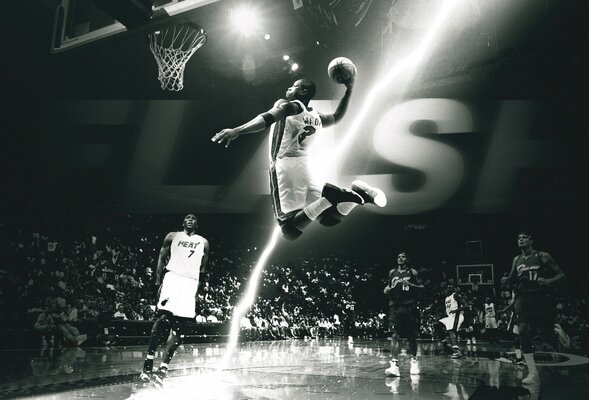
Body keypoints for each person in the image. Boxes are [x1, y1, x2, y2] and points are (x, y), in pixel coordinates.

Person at [211, 77, 386, 240]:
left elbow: (267, 118)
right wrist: (349, 90)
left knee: (288, 229)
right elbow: (338, 116)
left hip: (284, 166)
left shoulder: (288, 106)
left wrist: (237, 130)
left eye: (294, 86)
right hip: (305, 167)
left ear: (302, 92)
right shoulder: (317, 117)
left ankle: (332, 197)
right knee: (327, 219)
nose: (289, 88)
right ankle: (357, 196)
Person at [139, 214, 209, 386]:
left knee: (181, 329)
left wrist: (198, 290)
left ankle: (163, 368)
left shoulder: (204, 242)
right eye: (187, 218)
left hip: (190, 283)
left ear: (197, 224)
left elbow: (202, 269)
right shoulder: (172, 236)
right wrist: (157, 281)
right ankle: (148, 363)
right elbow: (161, 258)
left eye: (193, 218)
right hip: (173, 278)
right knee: (163, 319)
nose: (190, 219)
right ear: (183, 222)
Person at [501, 231, 565, 385]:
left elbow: (561, 274)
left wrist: (549, 280)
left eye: (524, 237)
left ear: (531, 240)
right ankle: (533, 372)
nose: (521, 239)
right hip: (523, 299)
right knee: (523, 330)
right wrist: (505, 280)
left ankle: (556, 330)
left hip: (540, 298)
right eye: (519, 238)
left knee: (546, 335)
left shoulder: (543, 256)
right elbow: (511, 278)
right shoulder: (516, 259)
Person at [383, 252, 424, 377]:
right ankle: (394, 365)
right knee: (395, 335)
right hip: (395, 307)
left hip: (409, 307)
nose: (400, 258)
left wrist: (412, 285)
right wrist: (386, 288)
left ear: (408, 259)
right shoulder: (392, 272)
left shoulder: (413, 272)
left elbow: (422, 287)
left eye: (403, 256)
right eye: (398, 256)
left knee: (411, 336)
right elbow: (389, 286)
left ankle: (414, 360)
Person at [439, 285, 466, 359]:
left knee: (451, 331)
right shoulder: (446, 298)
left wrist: (455, 310)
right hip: (450, 317)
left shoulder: (455, 295)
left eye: (449, 288)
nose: (447, 290)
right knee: (437, 325)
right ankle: (447, 347)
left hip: (457, 316)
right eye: (446, 289)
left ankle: (457, 352)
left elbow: (466, 305)